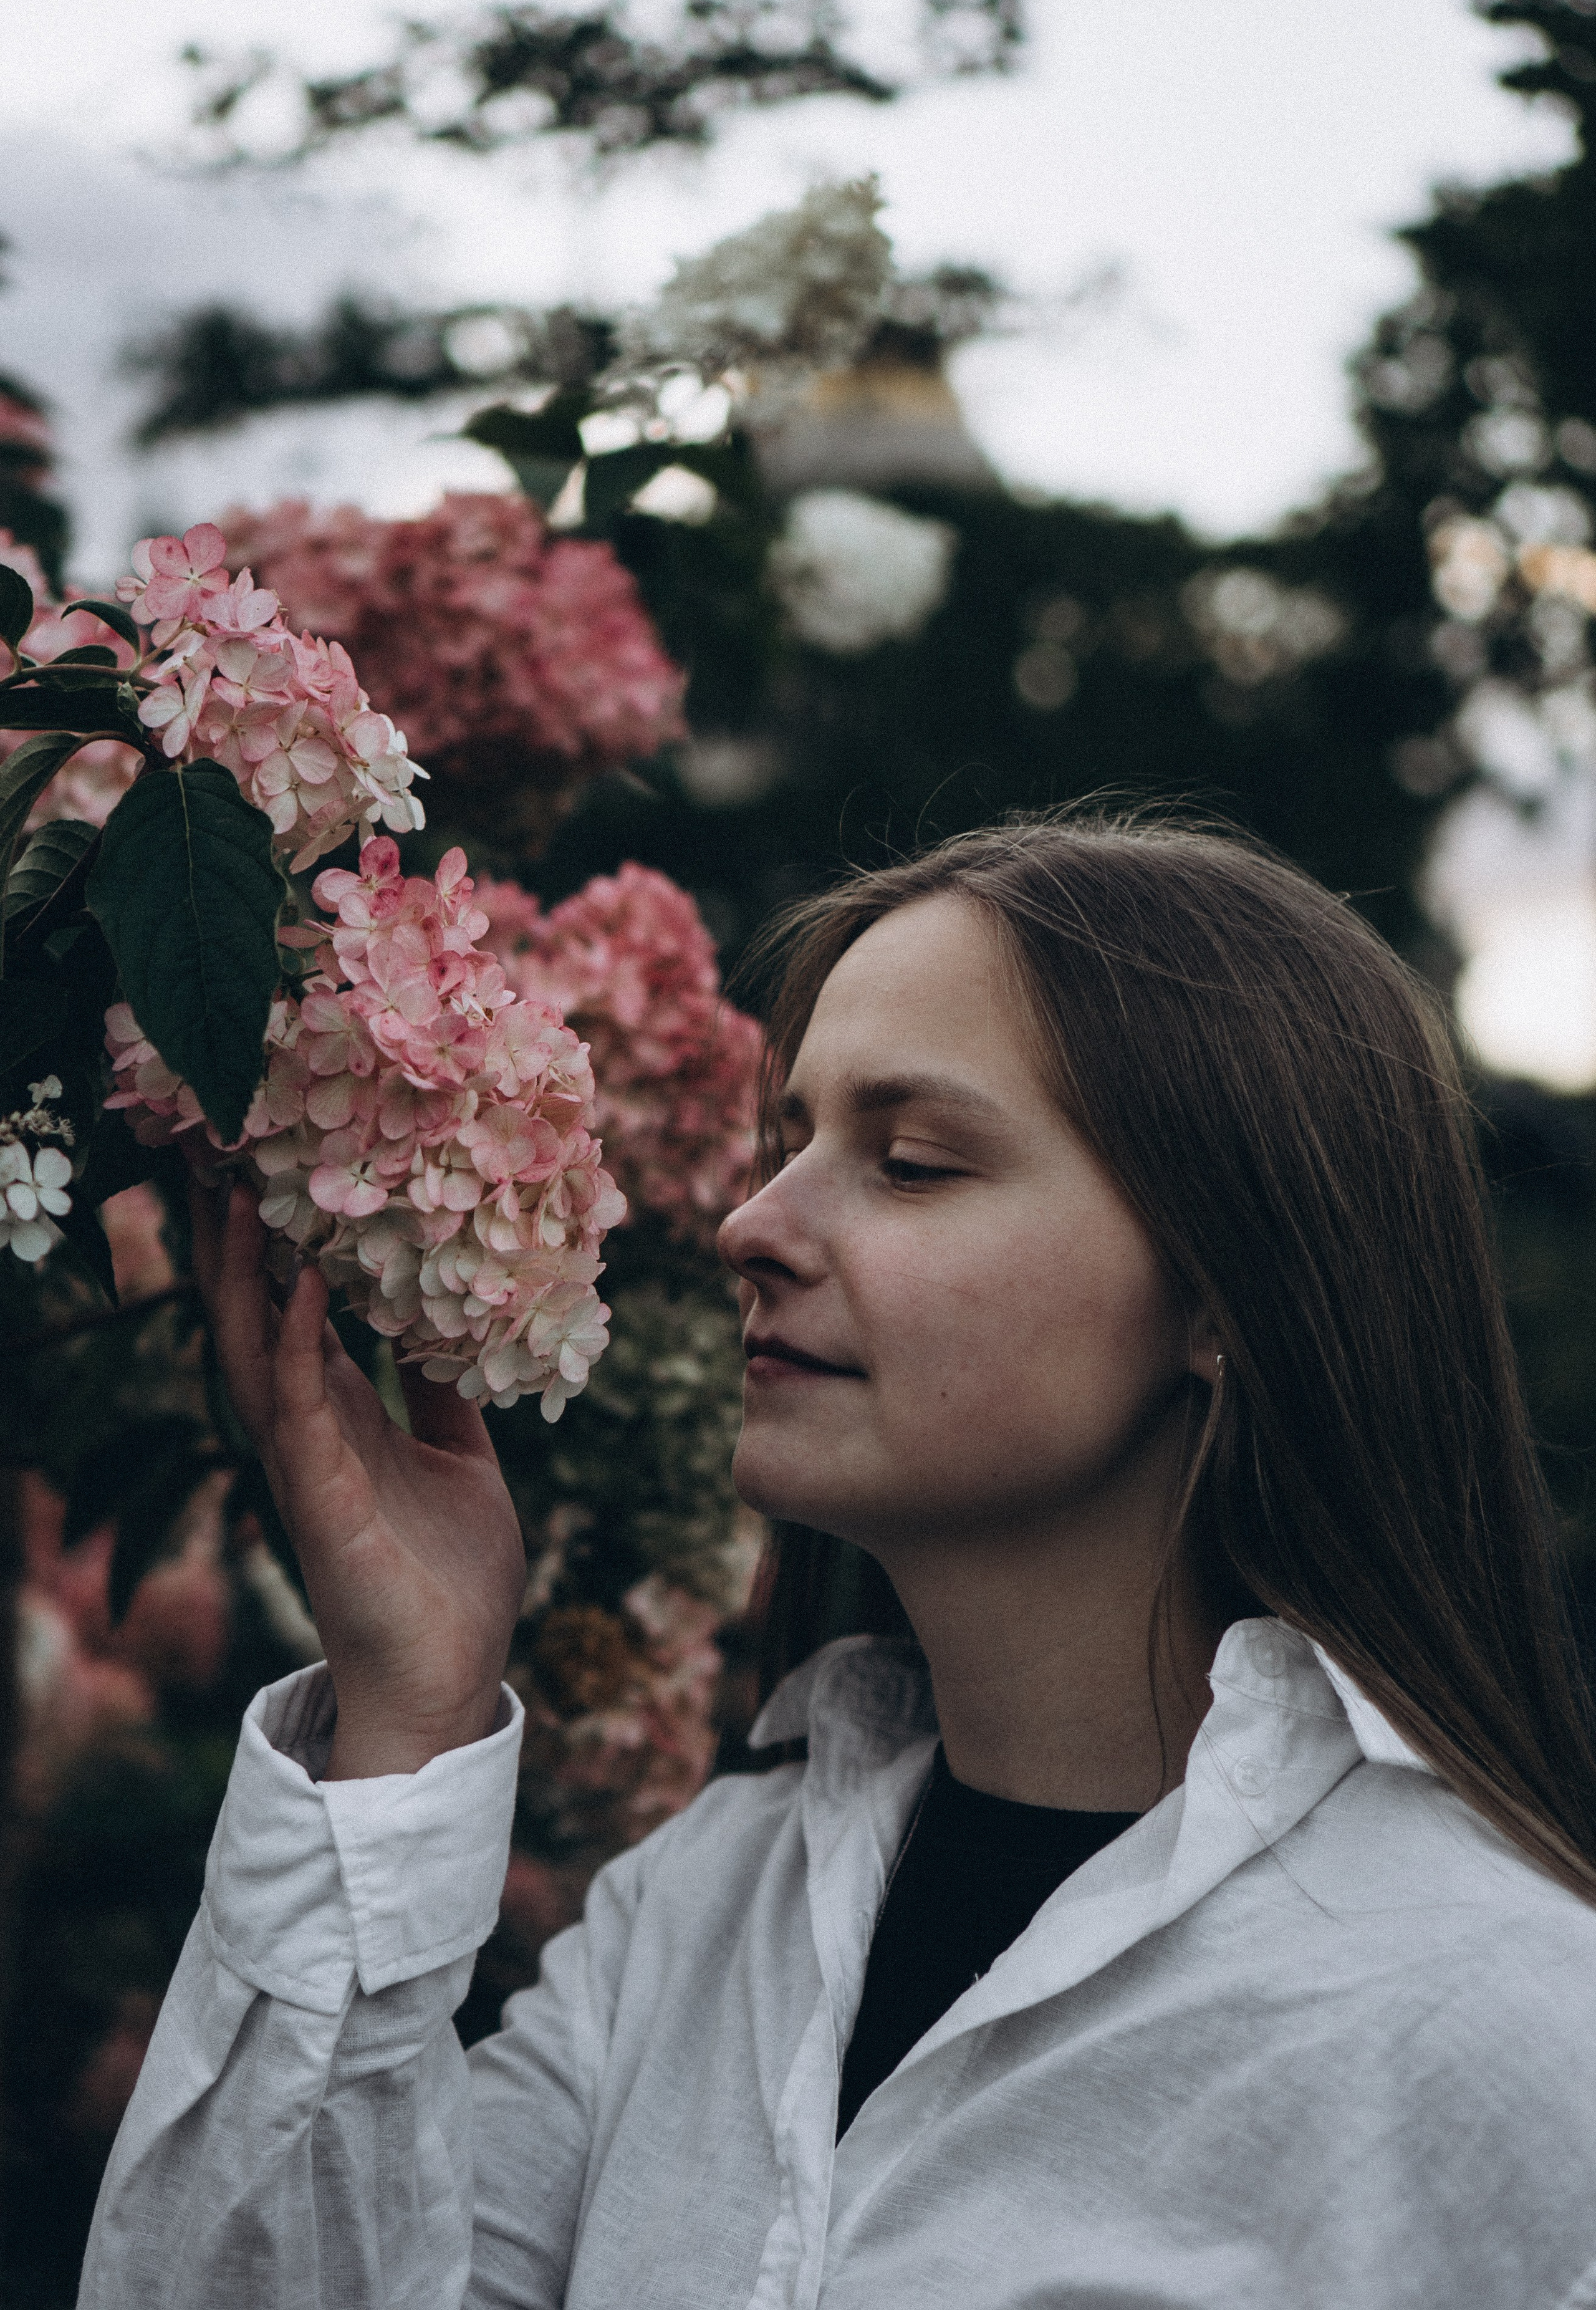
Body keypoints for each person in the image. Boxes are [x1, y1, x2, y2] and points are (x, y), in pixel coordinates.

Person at [79, 812, 1596, 2309]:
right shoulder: (696, 1911)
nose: (749, 1223)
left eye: (914, 1163)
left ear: (1222, 1296)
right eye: (788, 1142)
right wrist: (405, 1716)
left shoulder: (1497, 2031)